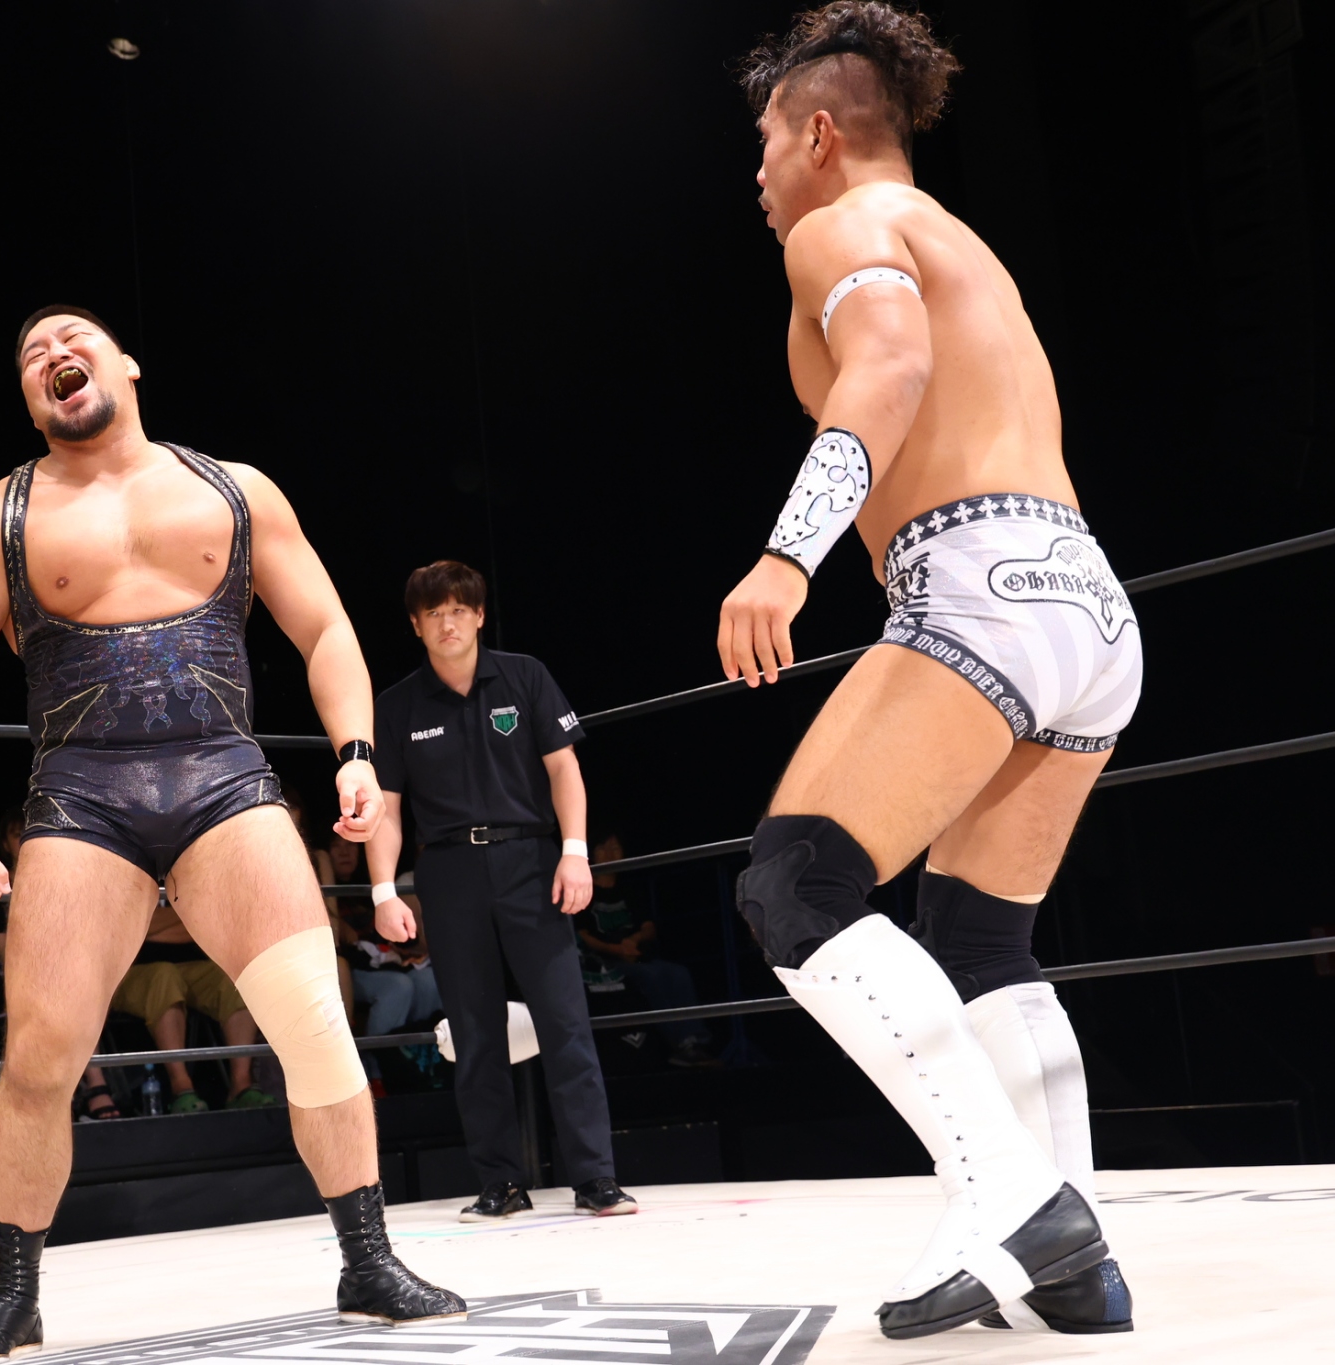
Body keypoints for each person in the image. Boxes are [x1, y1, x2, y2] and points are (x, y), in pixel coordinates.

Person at [0, 305, 462, 1359]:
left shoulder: (235, 490)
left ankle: (368, 1258)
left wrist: (354, 751)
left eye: (70, 338)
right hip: (80, 798)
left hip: (224, 780)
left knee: (313, 1019)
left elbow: (324, 626)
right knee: (39, 1056)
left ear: (125, 363)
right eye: (30, 355)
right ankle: (12, 1293)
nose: (51, 354)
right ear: (29, 399)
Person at [715, 5, 1141, 1338]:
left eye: (764, 142)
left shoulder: (845, 225)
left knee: (795, 883)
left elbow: (891, 362)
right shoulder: (971, 249)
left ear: (818, 133)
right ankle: (1072, 1262)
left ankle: (1012, 1197)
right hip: (1087, 604)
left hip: (976, 590)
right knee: (978, 937)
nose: (757, 174)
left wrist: (784, 557)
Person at [366, 560, 636, 1221]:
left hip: (531, 861)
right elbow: (388, 807)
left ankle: (595, 1178)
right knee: (475, 1032)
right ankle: (500, 1182)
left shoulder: (525, 675)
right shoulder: (397, 705)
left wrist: (576, 852)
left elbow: (564, 770)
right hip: (448, 871)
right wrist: (382, 891)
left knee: (564, 1021)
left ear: (480, 614)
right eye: (434, 613)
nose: (448, 623)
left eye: (459, 609)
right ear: (416, 625)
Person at [106, 894, 276, 1112]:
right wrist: (189, 912)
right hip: (129, 971)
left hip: (193, 965)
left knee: (235, 978)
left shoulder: (191, 874)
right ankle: (181, 1086)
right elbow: (122, 929)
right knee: (164, 976)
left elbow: (215, 926)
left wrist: (152, 924)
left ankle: (241, 1083)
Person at [577, 836, 717, 1068]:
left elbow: (648, 927)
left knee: (678, 973)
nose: (610, 853)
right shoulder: (585, 890)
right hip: (604, 962)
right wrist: (616, 949)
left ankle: (693, 1042)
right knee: (652, 976)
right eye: (603, 848)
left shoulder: (630, 889)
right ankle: (677, 1044)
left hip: (637, 956)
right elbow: (583, 935)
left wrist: (634, 940)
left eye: (615, 847)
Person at [327, 836, 442, 1051]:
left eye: (350, 845)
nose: (344, 852)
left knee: (428, 981)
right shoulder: (326, 893)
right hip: (350, 967)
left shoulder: (376, 885)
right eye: (336, 846)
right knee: (397, 987)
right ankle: (378, 1061)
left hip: (386, 961)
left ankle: (420, 1058)